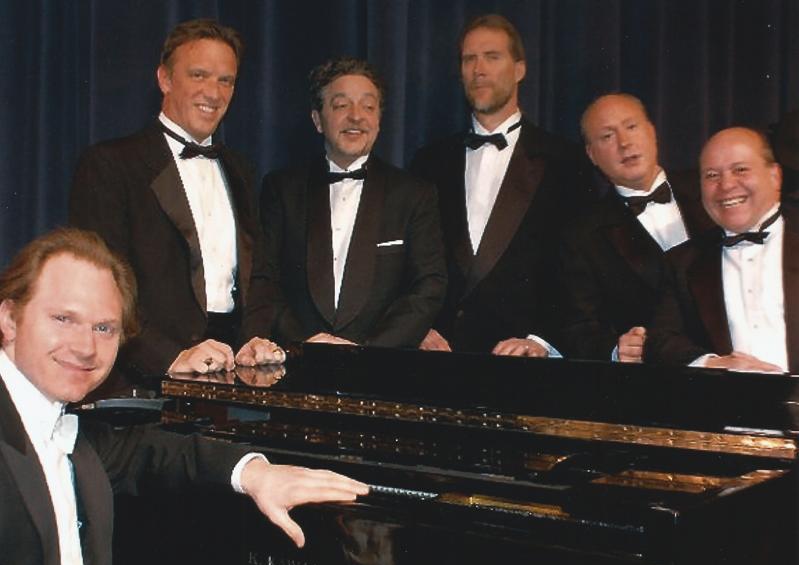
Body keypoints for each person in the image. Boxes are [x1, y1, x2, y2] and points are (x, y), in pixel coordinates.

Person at [0, 227, 369, 565]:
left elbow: (154, 452)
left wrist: (256, 474)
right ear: (9, 319)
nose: (86, 347)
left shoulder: (66, 430)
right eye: (63, 319)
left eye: (104, 328)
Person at [69, 19, 282, 395]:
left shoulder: (242, 170)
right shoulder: (110, 163)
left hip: (231, 381)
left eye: (226, 80)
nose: (213, 92)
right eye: (199, 75)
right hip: (143, 382)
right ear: (165, 79)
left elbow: (259, 274)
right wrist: (169, 357)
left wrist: (252, 340)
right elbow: (102, 285)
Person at [411, 14, 593, 356]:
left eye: (492, 57)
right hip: (439, 358)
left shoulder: (565, 162)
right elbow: (410, 263)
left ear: (519, 69)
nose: (478, 69)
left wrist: (542, 340)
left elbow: (579, 271)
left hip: (524, 363)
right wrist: (417, 327)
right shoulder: (429, 162)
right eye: (469, 59)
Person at [259, 57, 446, 347]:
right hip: (297, 361)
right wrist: (305, 343)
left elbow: (428, 286)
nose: (356, 116)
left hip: (380, 364)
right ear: (317, 120)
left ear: (379, 121)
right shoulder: (282, 189)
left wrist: (367, 353)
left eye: (368, 106)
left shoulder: (414, 194)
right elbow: (265, 281)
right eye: (341, 105)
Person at [557, 93, 713, 362]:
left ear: (652, 132)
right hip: (655, 376)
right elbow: (579, 327)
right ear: (591, 155)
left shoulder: (713, 191)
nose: (624, 143)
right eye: (607, 136)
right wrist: (616, 349)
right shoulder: (581, 235)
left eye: (631, 126)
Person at [645, 127, 796, 373]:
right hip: (723, 397)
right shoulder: (684, 262)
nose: (726, 185)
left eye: (741, 170)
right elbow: (660, 341)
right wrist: (713, 365)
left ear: (774, 176)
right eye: (712, 175)